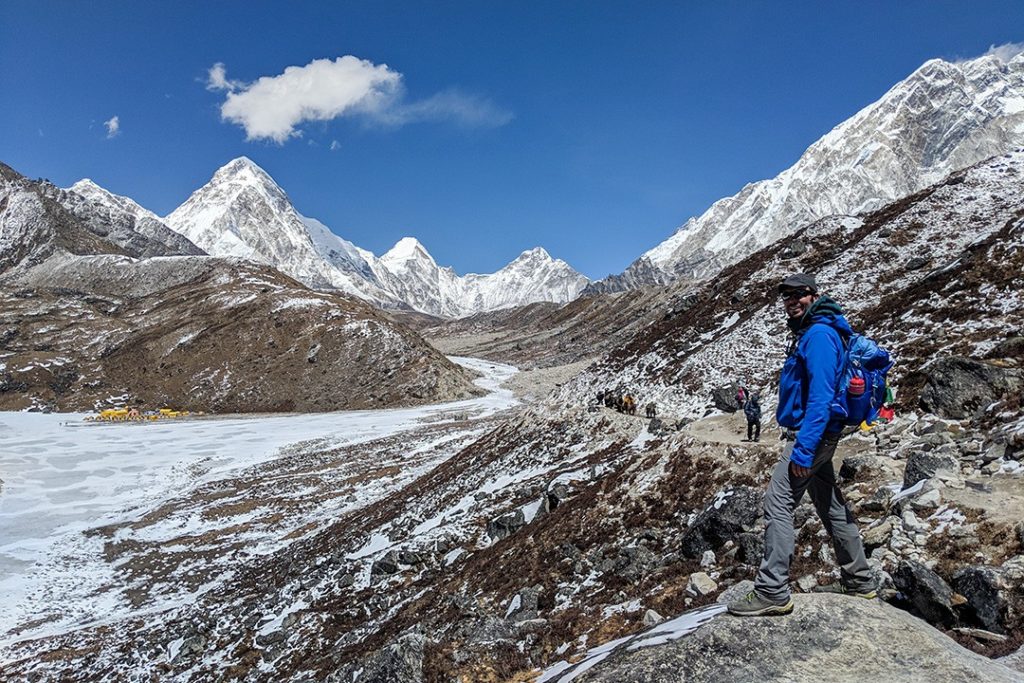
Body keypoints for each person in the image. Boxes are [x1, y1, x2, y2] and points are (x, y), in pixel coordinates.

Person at [728, 273, 875, 617]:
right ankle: (859, 580)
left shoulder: (820, 335)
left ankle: (772, 590)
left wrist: (805, 449)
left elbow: (822, 397)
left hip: (814, 434)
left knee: (778, 501)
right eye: (786, 296)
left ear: (814, 295)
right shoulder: (816, 331)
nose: (791, 300)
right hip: (820, 434)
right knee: (829, 503)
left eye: (798, 294)